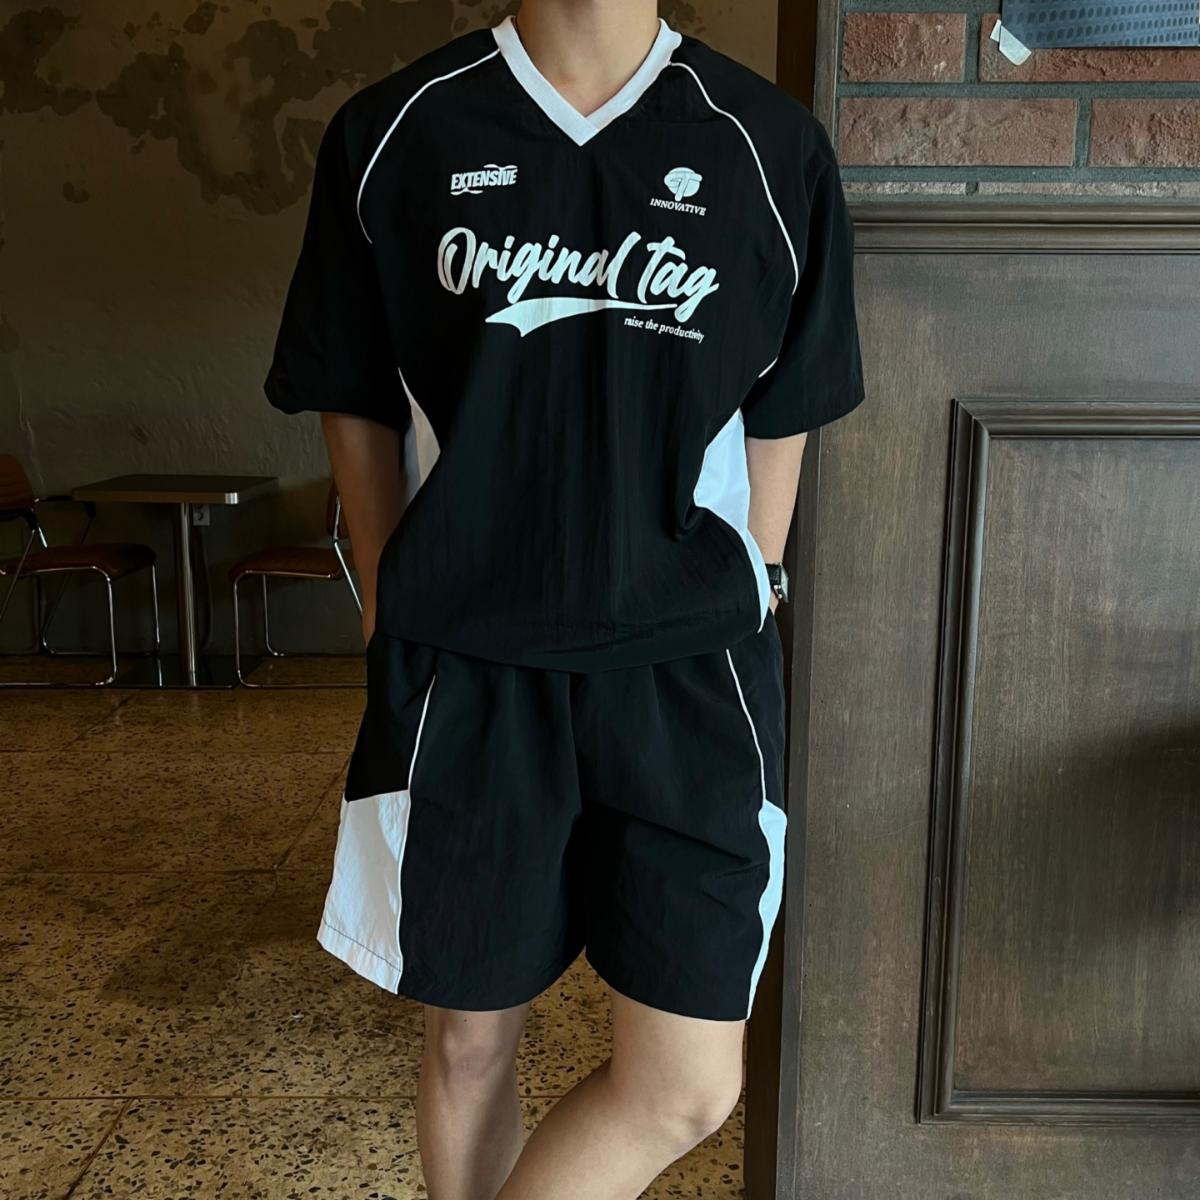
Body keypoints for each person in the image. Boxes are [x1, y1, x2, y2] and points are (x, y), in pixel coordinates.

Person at [265, 1, 863, 1195]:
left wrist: (752, 578)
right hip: (471, 666)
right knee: (469, 1039)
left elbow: (789, 403)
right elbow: (352, 389)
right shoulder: (396, 131)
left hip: (688, 675)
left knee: (687, 1085)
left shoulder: (767, 142)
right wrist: (387, 598)